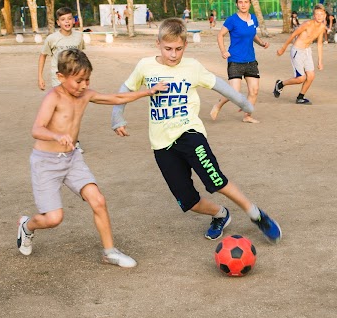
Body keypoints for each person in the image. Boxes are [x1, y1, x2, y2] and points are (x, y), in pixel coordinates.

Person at [111, 18, 282, 244]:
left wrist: (244, 103)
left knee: (216, 180)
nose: (173, 54)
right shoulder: (145, 66)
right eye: (168, 48)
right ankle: (220, 214)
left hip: (189, 133)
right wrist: (117, 117)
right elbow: (126, 89)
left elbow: (220, 85)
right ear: (158, 44)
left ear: (185, 46)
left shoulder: (192, 67)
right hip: (161, 144)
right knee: (187, 201)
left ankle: (255, 214)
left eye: (178, 49)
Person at [17, 48, 167, 267]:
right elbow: (37, 129)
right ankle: (27, 226)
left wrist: (148, 91)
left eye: (87, 79)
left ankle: (109, 252)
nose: (84, 85)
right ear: (61, 77)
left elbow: (116, 97)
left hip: (72, 159)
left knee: (98, 200)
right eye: (78, 81)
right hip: (46, 162)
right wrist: (57, 135)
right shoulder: (53, 97)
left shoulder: (85, 94)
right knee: (53, 219)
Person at [210, 0, 269, 124]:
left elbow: (252, 34)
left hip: (251, 60)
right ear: (236, 4)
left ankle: (247, 116)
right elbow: (220, 35)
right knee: (234, 92)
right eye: (240, 2)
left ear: (250, 4)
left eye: (246, 2)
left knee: (254, 91)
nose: (243, 4)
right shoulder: (232, 20)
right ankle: (218, 105)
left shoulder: (253, 18)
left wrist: (262, 43)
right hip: (235, 60)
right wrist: (223, 51)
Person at [38, 7, 86, 153]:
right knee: (60, 111)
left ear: (73, 20)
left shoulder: (78, 37)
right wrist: (40, 76)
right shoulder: (52, 39)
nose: (67, 22)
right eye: (63, 19)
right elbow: (43, 56)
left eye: (70, 18)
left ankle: (73, 142)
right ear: (58, 22)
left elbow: (81, 57)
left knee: (73, 111)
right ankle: (57, 139)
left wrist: (83, 77)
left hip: (75, 81)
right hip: (58, 81)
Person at [273, 4, 326, 105]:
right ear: (314, 16)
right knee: (300, 78)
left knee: (311, 76)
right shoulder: (307, 24)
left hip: (307, 51)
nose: (319, 16)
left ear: (324, 16)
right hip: (297, 51)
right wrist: (283, 48)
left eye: (321, 14)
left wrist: (320, 61)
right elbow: (293, 34)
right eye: (317, 14)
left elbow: (319, 43)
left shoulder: (322, 27)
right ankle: (280, 84)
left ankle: (300, 97)